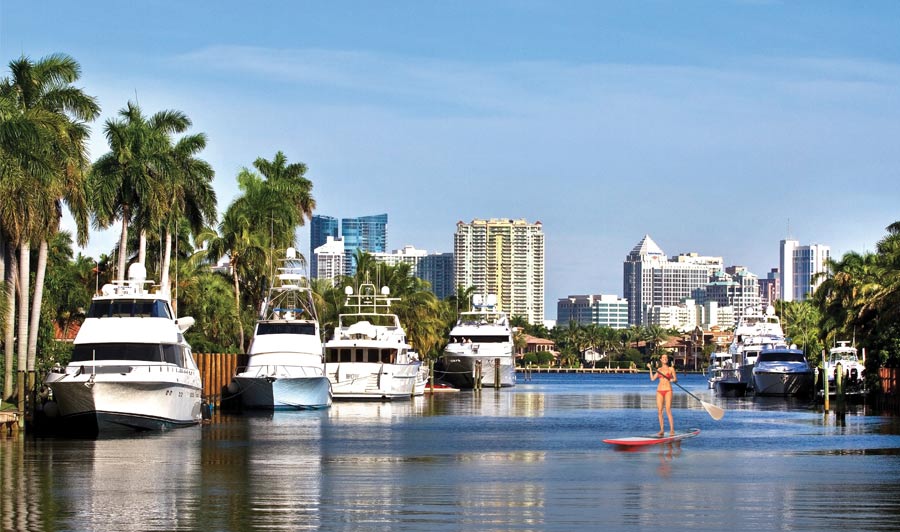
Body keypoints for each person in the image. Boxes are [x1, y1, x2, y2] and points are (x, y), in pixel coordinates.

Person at [647, 354, 677, 436]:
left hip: (668, 390)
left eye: (666, 358)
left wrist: (672, 380)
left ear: (667, 360)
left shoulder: (671, 369)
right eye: (663, 358)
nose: (665, 359)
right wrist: (650, 369)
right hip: (659, 390)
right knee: (659, 411)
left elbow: (675, 380)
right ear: (661, 359)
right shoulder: (658, 369)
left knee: (668, 410)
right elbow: (652, 379)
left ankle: (672, 430)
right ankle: (662, 430)